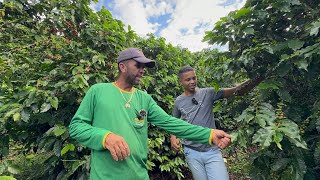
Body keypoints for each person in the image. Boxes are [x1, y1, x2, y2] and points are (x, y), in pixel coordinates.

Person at [68, 48, 232, 180]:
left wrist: (209, 134)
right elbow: (76, 127)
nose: (142, 70)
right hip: (105, 176)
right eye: (138, 65)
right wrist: (105, 137)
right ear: (122, 66)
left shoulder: (144, 99)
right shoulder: (98, 91)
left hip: (139, 175)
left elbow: (171, 122)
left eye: (144, 67)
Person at [170, 66, 263, 180]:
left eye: (194, 78)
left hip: (211, 151)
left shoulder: (208, 93)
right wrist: (173, 137)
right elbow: (173, 121)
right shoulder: (179, 101)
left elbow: (235, 91)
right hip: (191, 152)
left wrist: (256, 78)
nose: (192, 81)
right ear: (180, 82)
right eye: (188, 79)